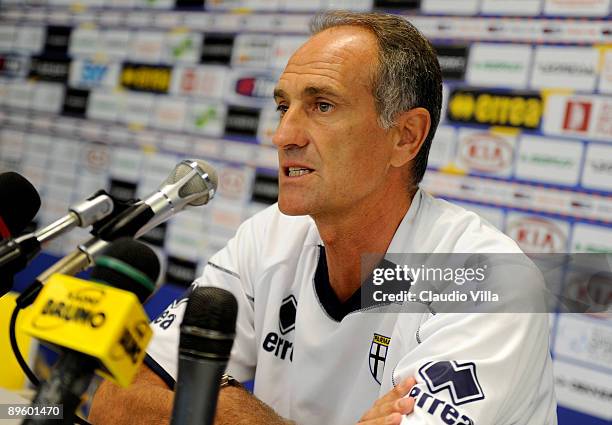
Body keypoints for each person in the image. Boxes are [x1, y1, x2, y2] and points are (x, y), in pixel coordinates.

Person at [89, 11, 556, 425]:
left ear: (406, 137)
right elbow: (115, 401)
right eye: (282, 106)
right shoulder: (267, 236)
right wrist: (239, 411)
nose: (283, 135)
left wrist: (207, 401)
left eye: (322, 105)